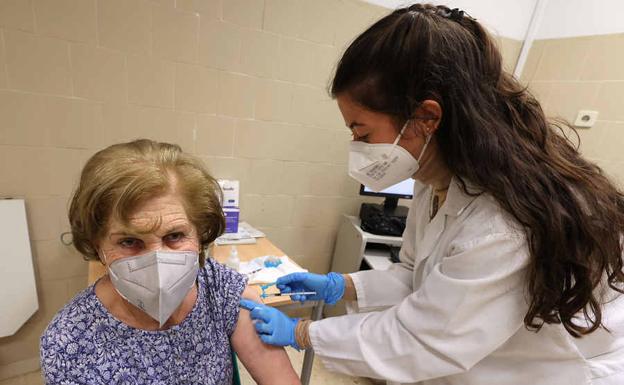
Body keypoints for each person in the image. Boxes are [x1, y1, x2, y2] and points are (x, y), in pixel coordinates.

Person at [239, 4, 624, 385]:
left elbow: (421, 339)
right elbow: (417, 277)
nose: (356, 145)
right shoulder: (435, 180)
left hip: (555, 370)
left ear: (426, 118)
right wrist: (344, 285)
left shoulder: (503, 224)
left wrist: (304, 334)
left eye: (362, 132)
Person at [40, 139, 300, 385]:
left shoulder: (220, 290)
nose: (157, 261)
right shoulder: (69, 341)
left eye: (174, 236)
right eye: (130, 241)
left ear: (200, 234)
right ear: (98, 244)